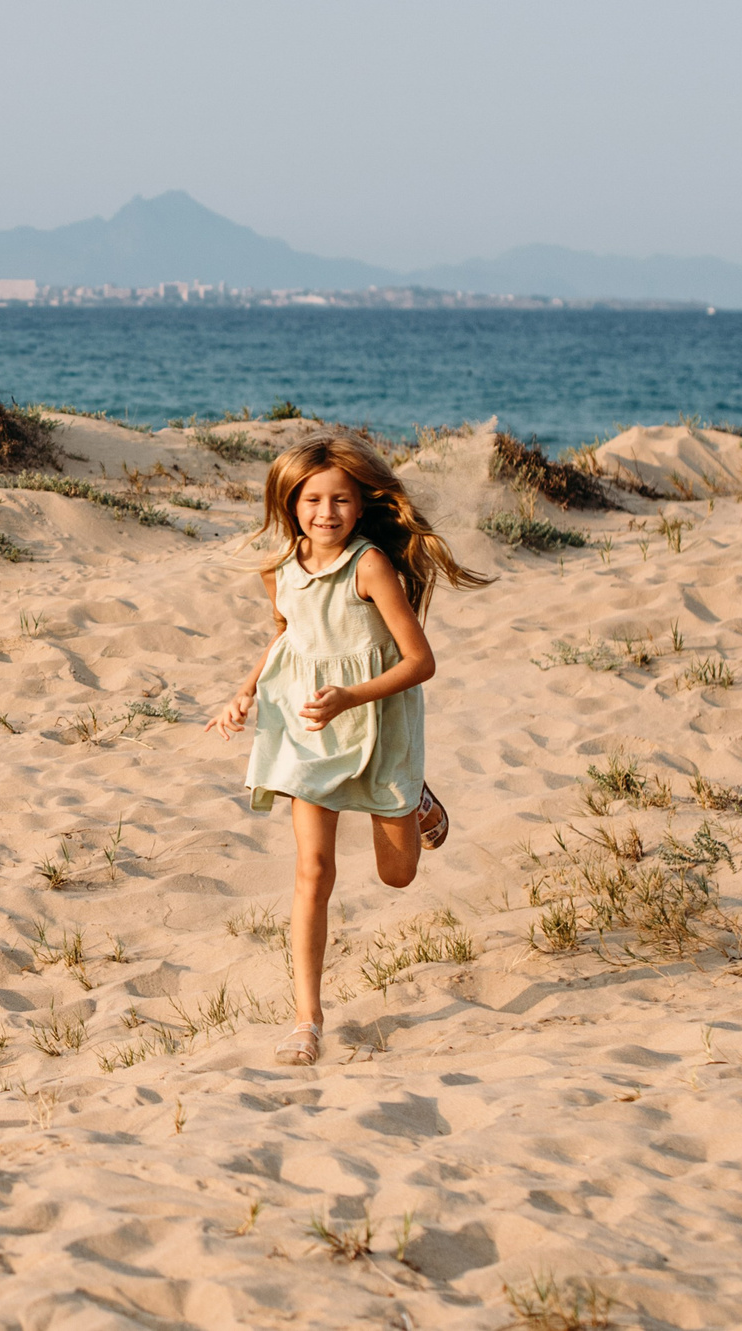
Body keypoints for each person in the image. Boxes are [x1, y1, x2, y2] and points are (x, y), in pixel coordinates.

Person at [205, 433, 491, 1067]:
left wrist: (351, 696)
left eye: (340, 500)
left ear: (362, 505)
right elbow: (288, 637)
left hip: (374, 721)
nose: (325, 512)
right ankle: (307, 1019)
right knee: (313, 872)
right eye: (312, 500)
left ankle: (413, 797)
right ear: (290, 503)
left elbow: (421, 662)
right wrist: (244, 691)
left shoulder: (370, 567)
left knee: (398, 875)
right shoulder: (280, 568)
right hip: (305, 728)